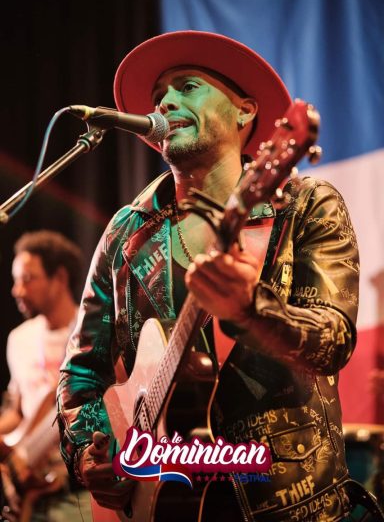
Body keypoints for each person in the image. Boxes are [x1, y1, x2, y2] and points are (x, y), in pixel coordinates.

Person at [57, 31, 372, 521]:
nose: (165, 100)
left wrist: (254, 310)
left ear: (245, 112)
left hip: (290, 505)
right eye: (160, 94)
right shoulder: (126, 231)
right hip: (162, 501)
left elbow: (331, 341)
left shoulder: (306, 206)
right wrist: (90, 454)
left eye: (187, 86)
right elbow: (81, 371)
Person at [0, 230, 92, 521]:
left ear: (60, 278)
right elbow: (18, 411)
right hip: (26, 481)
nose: (17, 290)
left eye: (27, 279)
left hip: (78, 486)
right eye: (15, 280)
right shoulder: (19, 338)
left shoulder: (92, 332)